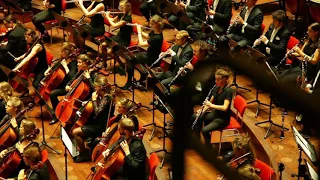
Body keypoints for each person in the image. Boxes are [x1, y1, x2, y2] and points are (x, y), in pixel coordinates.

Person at [72, 75, 114, 163]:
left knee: (75, 132)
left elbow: (98, 112)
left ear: (100, 87)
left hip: (100, 126)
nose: (94, 89)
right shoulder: (102, 96)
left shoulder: (107, 98)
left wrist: (94, 100)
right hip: (95, 121)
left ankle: (84, 154)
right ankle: (86, 146)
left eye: (96, 87)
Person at [191, 68, 233, 146]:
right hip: (215, 113)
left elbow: (224, 108)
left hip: (222, 118)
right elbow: (209, 103)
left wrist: (211, 106)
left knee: (204, 130)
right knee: (195, 117)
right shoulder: (216, 88)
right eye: (215, 79)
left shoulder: (228, 91)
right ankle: (197, 141)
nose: (215, 81)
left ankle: (208, 146)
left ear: (224, 79)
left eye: (218, 79)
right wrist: (202, 110)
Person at [170, 40, 217, 107]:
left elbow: (203, 82)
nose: (193, 53)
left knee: (183, 99)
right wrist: (184, 73)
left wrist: (192, 69)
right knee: (174, 93)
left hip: (202, 92)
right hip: (194, 86)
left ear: (203, 52)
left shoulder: (209, 65)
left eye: (195, 51)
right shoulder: (199, 59)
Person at [49, 54, 93, 125]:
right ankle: (56, 115)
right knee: (52, 94)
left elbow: (94, 89)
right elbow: (73, 79)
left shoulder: (93, 74)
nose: (78, 64)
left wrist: (89, 78)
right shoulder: (81, 71)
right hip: (73, 91)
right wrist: (68, 85)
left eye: (79, 62)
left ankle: (69, 120)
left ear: (85, 63)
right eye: (77, 62)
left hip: (84, 96)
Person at [123, 15, 163, 90]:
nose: (150, 25)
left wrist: (138, 32)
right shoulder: (156, 31)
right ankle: (142, 77)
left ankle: (130, 82)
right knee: (132, 58)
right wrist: (141, 30)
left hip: (152, 58)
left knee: (130, 59)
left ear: (156, 24)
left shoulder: (157, 37)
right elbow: (148, 36)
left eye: (152, 24)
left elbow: (141, 44)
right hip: (149, 54)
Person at [45, 42, 78, 124]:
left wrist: (65, 66)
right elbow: (56, 65)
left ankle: (56, 115)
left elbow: (72, 77)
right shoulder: (63, 59)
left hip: (67, 85)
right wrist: (49, 70)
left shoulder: (73, 63)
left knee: (52, 94)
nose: (60, 53)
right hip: (60, 82)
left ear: (66, 52)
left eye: (62, 51)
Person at [0, 15, 26, 81]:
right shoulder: (21, 27)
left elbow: (7, 48)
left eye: (6, 24)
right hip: (21, 50)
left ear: (11, 22)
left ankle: (3, 79)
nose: (5, 26)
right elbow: (14, 42)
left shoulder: (13, 34)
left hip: (15, 56)